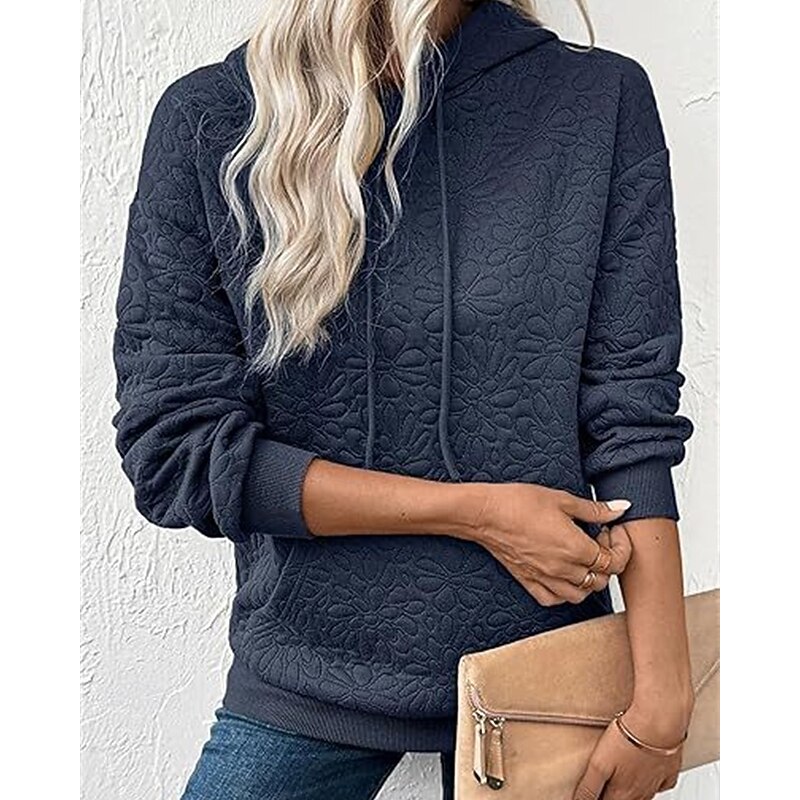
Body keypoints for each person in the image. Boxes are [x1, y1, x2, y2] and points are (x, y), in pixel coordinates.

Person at [111, 1, 697, 798]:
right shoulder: (213, 119)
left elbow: (631, 412)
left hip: (546, 679)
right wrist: (475, 513)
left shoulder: (597, 100)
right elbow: (175, 452)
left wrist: (662, 698)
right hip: (307, 670)